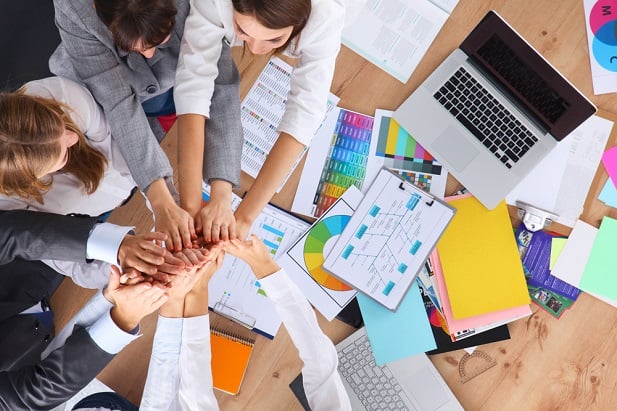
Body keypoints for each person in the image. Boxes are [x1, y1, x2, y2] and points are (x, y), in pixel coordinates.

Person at [49, 0, 242, 251]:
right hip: (99, 99)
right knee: (119, 194)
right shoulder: (73, 8)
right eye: (137, 48)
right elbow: (118, 103)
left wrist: (222, 194)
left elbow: (221, 84)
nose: (149, 54)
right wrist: (160, 202)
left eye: (159, 40)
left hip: (178, 79)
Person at [175, 0, 346, 242]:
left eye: (274, 39)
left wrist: (244, 217)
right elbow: (193, 86)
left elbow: (305, 112)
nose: (255, 49)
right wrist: (191, 208)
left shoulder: (324, 16)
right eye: (243, 30)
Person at [0, 76, 190, 287]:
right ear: (30, 179)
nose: (73, 138)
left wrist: (165, 204)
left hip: (135, 172)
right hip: (91, 220)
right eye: (62, 156)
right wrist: (123, 269)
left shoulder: (62, 96)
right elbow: (71, 259)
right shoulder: (13, 217)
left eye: (63, 128)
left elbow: (127, 152)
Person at [0, 210, 171, 411]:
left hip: (32, 248)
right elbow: (34, 394)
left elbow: (8, 235)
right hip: (34, 327)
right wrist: (121, 316)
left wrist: (115, 246)